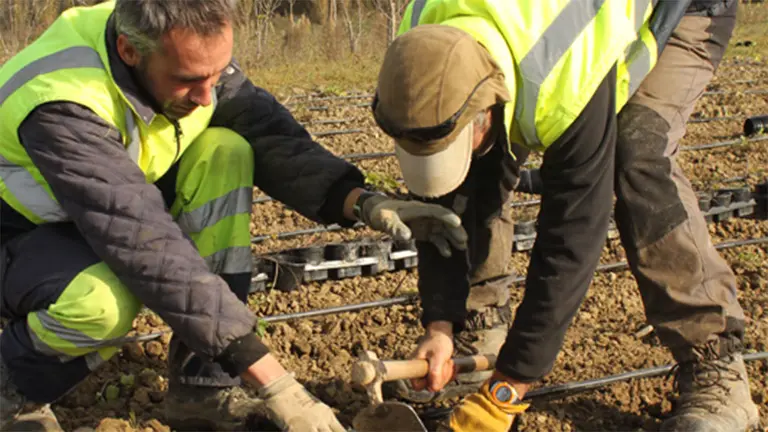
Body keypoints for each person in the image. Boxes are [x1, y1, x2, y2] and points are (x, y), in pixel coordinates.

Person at [0, 1, 469, 431]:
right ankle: (14, 391)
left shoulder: (180, 46)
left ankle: (203, 391)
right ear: (129, 51)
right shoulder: (63, 102)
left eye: (217, 73)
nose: (207, 96)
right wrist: (277, 384)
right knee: (99, 306)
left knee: (226, 150)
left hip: (97, 209)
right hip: (21, 231)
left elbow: (268, 133)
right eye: (189, 79)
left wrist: (364, 201)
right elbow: (144, 244)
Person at [372, 0, 759, 431]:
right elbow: (443, 203)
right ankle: (477, 326)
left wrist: (511, 383)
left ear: (487, 106)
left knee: (637, 154)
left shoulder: (565, 71)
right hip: (534, 40)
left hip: (675, 11)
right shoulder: (419, 42)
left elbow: (572, 235)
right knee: (481, 161)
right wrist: (439, 322)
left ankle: (715, 362)